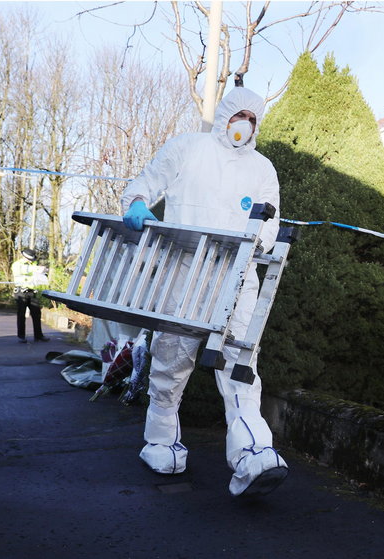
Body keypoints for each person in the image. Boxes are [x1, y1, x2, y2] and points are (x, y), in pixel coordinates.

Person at [120, 87, 288, 497]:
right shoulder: (187, 148)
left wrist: (257, 242)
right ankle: (161, 442)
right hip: (185, 271)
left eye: (252, 116)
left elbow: (269, 221)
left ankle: (252, 453)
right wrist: (138, 203)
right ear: (225, 113)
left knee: (241, 364)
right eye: (238, 113)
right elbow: (146, 182)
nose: (243, 123)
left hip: (236, 277)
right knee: (171, 358)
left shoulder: (262, 167)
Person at [11, 248, 50, 343]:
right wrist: (36, 269)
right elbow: (23, 271)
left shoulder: (32, 265)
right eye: (30, 259)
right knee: (21, 315)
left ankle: (38, 335)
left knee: (37, 314)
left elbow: (36, 275)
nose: (31, 261)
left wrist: (43, 272)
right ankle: (21, 336)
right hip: (21, 292)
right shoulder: (17, 265)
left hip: (32, 292)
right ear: (25, 257)